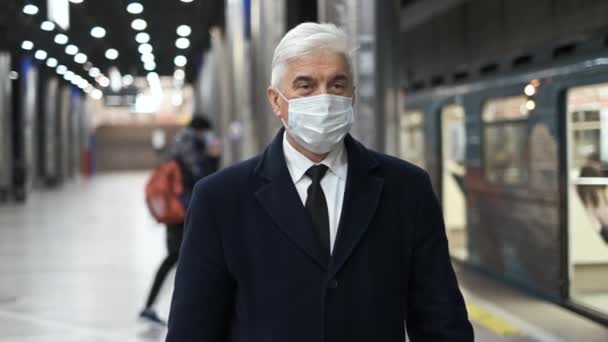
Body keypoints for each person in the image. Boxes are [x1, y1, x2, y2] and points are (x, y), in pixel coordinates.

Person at [166, 23, 473, 341]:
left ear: (352, 97)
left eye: (337, 85)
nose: (324, 99)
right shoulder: (221, 199)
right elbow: (192, 331)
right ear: (275, 100)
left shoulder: (407, 189)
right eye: (306, 86)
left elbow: (442, 320)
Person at [140, 115, 220, 325]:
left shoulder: (178, 142)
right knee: (182, 258)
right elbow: (203, 178)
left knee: (180, 258)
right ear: (202, 130)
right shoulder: (192, 145)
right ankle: (157, 307)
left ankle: (152, 305)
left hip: (175, 211)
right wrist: (214, 158)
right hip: (183, 211)